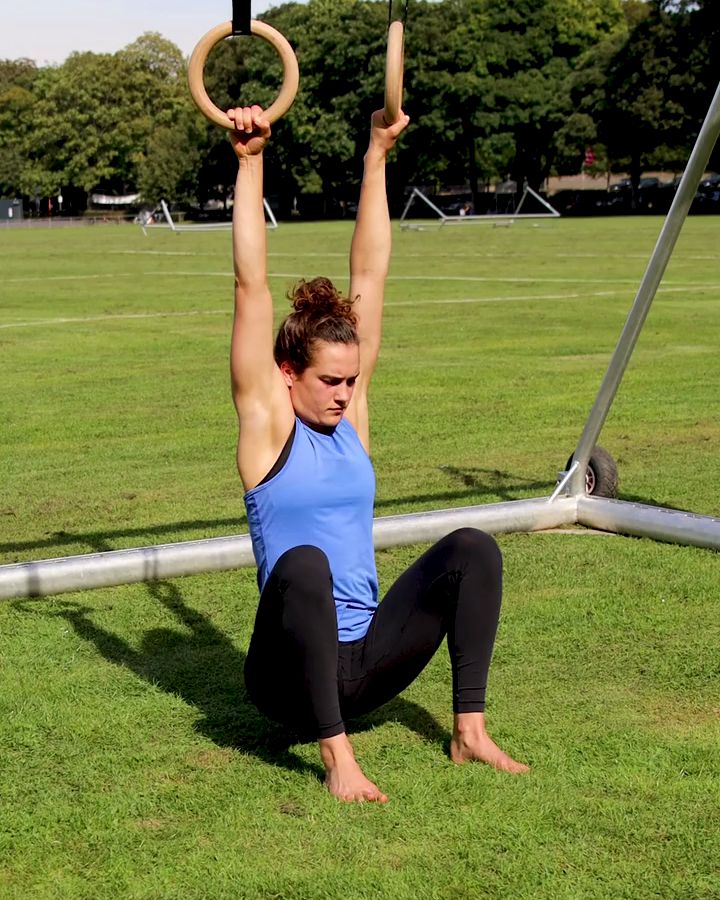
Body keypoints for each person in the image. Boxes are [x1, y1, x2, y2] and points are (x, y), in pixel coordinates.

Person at [228, 104, 529, 803]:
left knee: (473, 548)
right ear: (286, 372)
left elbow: (372, 273)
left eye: (351, 381)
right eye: (328, 381)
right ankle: (337, 758)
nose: (342, 394)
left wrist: (377, 155)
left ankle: (470, 731)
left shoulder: (351, 417)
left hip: (364, 666)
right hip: (287, 682)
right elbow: (250, 286)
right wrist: (249, 163)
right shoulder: (266, 424)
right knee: (305, 566)